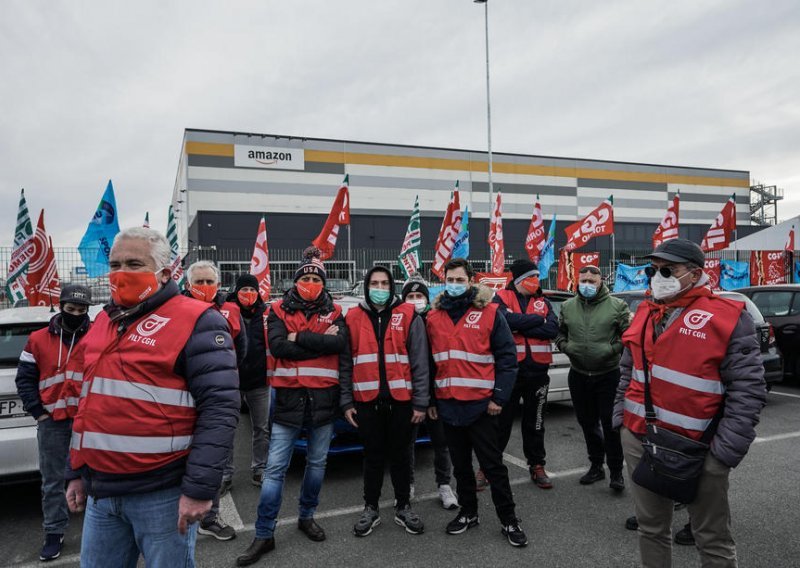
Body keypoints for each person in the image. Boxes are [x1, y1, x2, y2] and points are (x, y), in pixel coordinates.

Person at [65, 227, 240, 567]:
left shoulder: (199, 320)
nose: (121, 273)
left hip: (162, 493)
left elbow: (219, 409)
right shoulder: (103, 319)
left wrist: (200, 490)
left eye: (134, 264)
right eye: (115, 264)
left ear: (163, 272)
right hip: (101, 492)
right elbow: (87, 403)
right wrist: (74, 470)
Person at [613, 238, 766, 567]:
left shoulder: (728, 317)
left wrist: (723, 453)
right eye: (653, 270)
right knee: (651, 529)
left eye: (668, 269)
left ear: (695, 273)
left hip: (700, 449)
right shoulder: (644, 311)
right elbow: (628, 370)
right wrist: (620, 420)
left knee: (711, 538)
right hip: (640, 438)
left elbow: (749, 390)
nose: (658, 276)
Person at [238, 247, 349, 566]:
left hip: (324, 404)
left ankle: (306, 516)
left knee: (317, 466)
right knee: (274, 471)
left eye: (316, 278)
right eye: (306, 277)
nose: (311, 282)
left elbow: (338, 344)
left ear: (323, 282)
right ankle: (263, 533)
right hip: (288, 403)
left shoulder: (337, 312)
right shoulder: (276, 309)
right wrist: (316, 341)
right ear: (296, 281)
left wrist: (298, 338)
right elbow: (277, 346)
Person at [426, 258, 528, 547]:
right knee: (460, 467)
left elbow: (508, 359)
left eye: (460, 280)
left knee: (493, 467)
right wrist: (433, 400)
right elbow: (431, 364)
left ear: (471, 280)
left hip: (482, 407)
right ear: (443, 280)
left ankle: (509, 520)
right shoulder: (433, 318)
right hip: (448, 406)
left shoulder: (491, 313)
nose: (455, 284)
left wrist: (499, 397)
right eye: (450, 279)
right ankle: (469, 513)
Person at [340, 266, 430, 537]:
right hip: (366, 402)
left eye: (384, 283)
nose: (379, 288)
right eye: (374, 283)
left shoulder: (409, 314)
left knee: (402, 457)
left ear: (392, 287)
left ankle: (404, 507)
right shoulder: (352, 317)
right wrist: (346, 402)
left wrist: (421, 402)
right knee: (373, 457)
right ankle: (371, 507)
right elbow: (345, 363)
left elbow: (420, 362)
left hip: (402, 402)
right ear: (366, 286)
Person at [15, 285, 92, 561]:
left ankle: (102, 527)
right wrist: (38, 412)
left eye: (81, 311)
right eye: (70, 310)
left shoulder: (96, 336)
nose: (75, 314)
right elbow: (24, 379)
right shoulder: (37, 339)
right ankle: (54, 531)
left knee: (97, 475)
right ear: (61, 307)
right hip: (53, 421)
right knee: (52, 481)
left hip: (90, 421)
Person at [184, 260, 249, 541]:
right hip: (183, 399)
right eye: (199, 282)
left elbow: (241, 348)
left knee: (215, 458)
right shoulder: (176, 311)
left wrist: (224, 375)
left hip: (217, 398)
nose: (205, 287)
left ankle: (210, 517)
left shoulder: (229, 311)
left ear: (218, 285)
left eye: (210, 282)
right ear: (188, 285)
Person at [556, 265, 630, 491]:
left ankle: (616, 472)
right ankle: (596, 466)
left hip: (608, 374)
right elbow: (560, 333)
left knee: (610, 425)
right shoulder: (568, 306)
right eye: (583, 280)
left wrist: (611, 349)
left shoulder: (617, 306)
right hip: (578, 374)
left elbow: (627, 335)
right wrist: (567, 347)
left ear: (601, 282)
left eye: (592, 281)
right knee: (587, 424)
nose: (587, 284)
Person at [494, 259, 559, 489]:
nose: (536, 281)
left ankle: (536, 464)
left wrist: (520, 325)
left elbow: (552, 328)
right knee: (500, 423)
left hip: (538, 372)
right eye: (532, 277)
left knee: (536, 422)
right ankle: (488, 466)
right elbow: (502, 320)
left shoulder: (543, 300)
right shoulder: (501, 297)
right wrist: (535, 321)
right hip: (509, 373)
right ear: (520, 279)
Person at [401, 276, 459, 510]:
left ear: (427, 298)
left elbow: (437, 361)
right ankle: (408, 485)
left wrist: (432, 399)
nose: (415, 300)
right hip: (407, 394)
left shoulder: (436, 321)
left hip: (436, 396)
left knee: (441, 443)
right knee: (407, 443)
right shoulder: (400, 322)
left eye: (420, 296)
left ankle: (444, 485)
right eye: (410, 297)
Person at [227, 273, 271, 491]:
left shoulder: (266, 313)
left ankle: (259, 469)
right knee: (227, 429)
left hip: (259, 381)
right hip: (230, 382)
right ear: (237, 291)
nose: (249, 294)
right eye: (244, 290)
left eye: (253, 290)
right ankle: (226, 473)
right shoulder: (225, 311)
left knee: (261, 428)